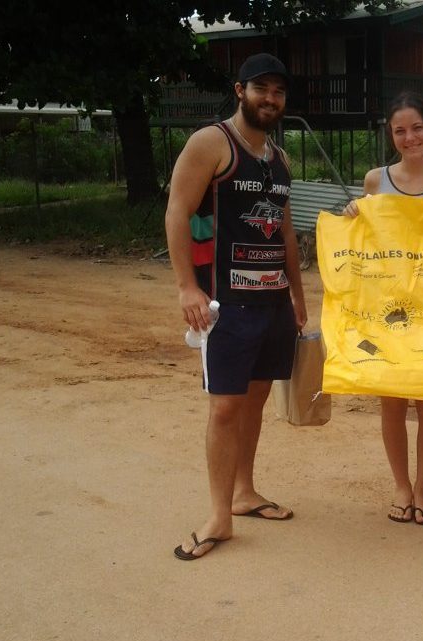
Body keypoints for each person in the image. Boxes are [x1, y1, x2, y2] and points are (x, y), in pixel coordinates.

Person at [164, 53, 307, 560]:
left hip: (272, 305)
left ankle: (244, 493)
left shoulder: (279, 158)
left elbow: (286, 232)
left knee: (256, 400)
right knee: (226, 406)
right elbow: (177, 210)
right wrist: (187, 287)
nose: (271, 99)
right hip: (226, 304)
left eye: (279, 92)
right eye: (261, 88)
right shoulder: (211, 143)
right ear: (239, 90)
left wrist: (297, 294)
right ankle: (218, 516)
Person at [343, 92, 423, 525]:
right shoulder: (375, 180)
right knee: (392, 401)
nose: (410, 137)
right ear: (390, 134)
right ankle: (401, 486)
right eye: (400, 130)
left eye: (417, 127)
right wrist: (352, 217)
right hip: (386, 308)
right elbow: (364, 243)